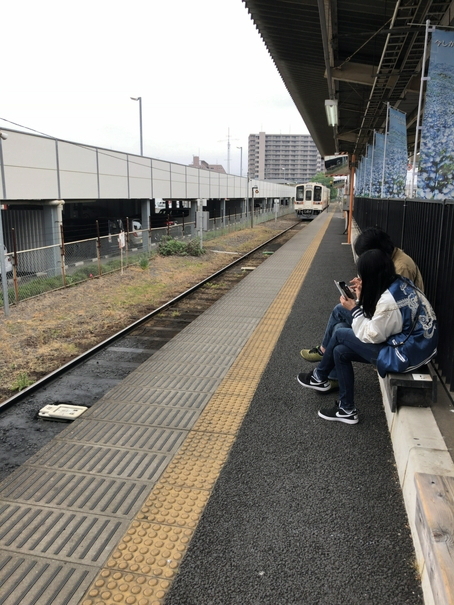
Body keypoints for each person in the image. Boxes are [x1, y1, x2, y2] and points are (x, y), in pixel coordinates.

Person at [297, 249, 437, 424]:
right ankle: (346, 409)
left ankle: (320, 376)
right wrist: (361, 297)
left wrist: (355, 309)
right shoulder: (399, 281)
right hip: (414, 343)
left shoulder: (389, 302)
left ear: (373, 276)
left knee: (340, 332)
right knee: (340, 350)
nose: (360, 279)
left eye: (363, 276)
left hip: (406, 354)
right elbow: (379, 319)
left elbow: (372, 335)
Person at [300, 228, 424, 390]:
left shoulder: (401, 268)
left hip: (397, 334)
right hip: (391, 323)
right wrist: (364, 289)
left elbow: (390, 311)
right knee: (340, 326)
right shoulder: (390, 262)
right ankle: (331, 376)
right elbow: (385, 303)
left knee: (340, 324)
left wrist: (359, 301)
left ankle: (323, 364)